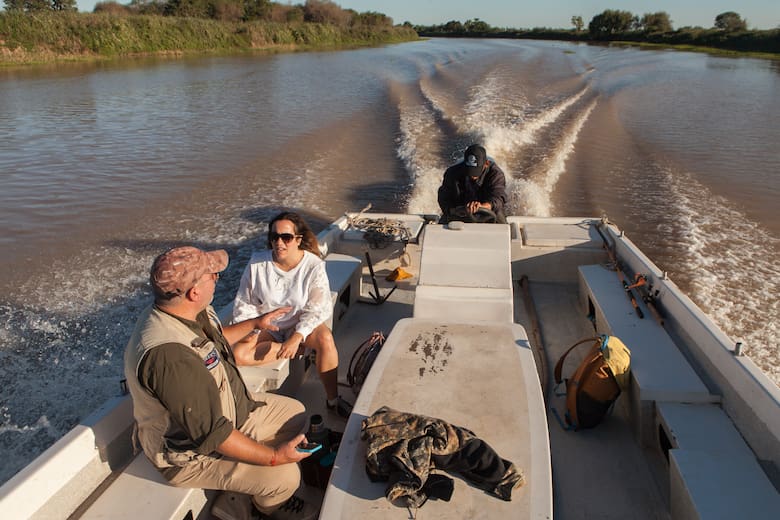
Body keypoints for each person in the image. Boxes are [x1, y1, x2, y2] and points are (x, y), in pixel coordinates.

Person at [124, 246, 318, 520]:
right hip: (189, 456)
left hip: (228, 412)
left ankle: (236, 497)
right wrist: (275, 457)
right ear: (193, 292)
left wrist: (255, 323)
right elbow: (214, 434)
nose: (217, 277)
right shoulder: (170, 357)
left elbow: (214, 340)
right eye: (212, 275)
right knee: (285, 476)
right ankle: (262, 508)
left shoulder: (184, 311)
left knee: (296, 414)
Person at [231, 211, 352, 418]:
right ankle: (293, 350)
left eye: (286, 237)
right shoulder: (257, 263)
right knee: (238, 355)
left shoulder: (313, 265)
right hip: (269, 326)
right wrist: (253, 330)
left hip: (300, 325)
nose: (279, 243)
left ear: (298, 239)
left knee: (325, 339)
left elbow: (318, 307)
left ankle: (333, 400)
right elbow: (245, 303)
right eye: (274, 237)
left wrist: (297, 336)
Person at [437, 144, 508, 224]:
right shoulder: (452, 173)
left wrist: (483, 206)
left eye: (476, 170)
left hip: (489, 212)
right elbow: (443, 196)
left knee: (499, 214)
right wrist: (453, 210)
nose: (472, 175)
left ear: (486, 164)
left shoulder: (496, 174)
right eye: (469, 170)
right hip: (460, 212)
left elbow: (499, 197)